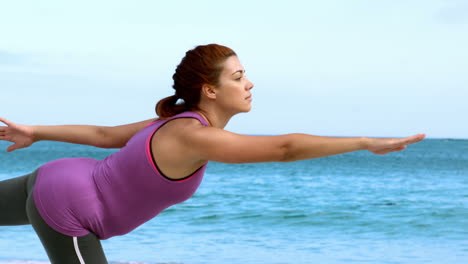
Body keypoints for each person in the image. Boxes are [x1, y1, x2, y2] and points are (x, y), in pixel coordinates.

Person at [0, 43, 425, 264]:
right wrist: (366, 142)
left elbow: (104, 134)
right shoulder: (194, 135)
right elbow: (283, 148)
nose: (250, 84)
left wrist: (35, 132)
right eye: (239, 76)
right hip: (67, 209)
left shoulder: (174, 122)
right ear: (211, 90)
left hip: (54, 177)